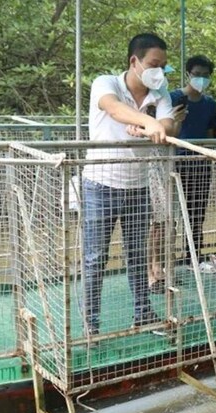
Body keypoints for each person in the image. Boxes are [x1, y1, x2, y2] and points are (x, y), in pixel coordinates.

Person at [81, 33, 175, 337]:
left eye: (162, 66)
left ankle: (143, 313)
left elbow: (169, 123)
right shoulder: (106, 82)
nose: (158, 72)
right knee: (96, 258)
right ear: (134, 61)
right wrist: (145, 122)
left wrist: (154, 125)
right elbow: (112, 108)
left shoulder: (160, 92)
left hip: (138, 186)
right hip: (100, 184)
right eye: (153, 64)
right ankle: (90, 324)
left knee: (138, 254)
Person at [169, 55, 216, 274]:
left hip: (200, 164)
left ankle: (194, 257)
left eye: (206, 75)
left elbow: (210, 133)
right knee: (169, 215)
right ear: (188, 74)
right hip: (175, 163)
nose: (201, 79)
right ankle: (164, 262)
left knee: (196, 213)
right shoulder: (173, 97)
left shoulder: (210, 104)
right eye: (197, 74)